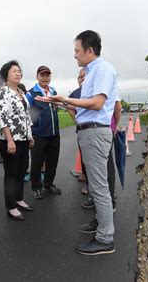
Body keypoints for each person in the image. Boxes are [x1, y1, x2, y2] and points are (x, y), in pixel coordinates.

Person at [37, 30, 118, 255]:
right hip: (88, 131)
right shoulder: (92, 72)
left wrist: (65, 98)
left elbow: (98, 103)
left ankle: (105, 238)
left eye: (77, 51)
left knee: (99, 187)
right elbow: (86, 105)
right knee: (95, 185)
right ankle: (101, 224)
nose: (75, 55)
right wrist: (62, 104)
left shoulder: (102, 69)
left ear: (89, 51)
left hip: (95, 133)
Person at [0, 60, 34, 221]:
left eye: (19, 71)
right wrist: (10, 140)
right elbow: (1, 117)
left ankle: (18, 199)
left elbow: (26, 116)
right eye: (14, 71)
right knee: (11, 174)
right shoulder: (2, 93)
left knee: (22, 170)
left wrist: (29, 135)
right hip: (9, 140)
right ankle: (10, 206)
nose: (18, 73)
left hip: (23, 139)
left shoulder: (21, 93)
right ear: (6, 75)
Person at [25, 66, 62, 199]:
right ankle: (36, 186)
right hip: (38, 135)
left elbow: (55, 109)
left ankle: (48, 184)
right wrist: (29, 134)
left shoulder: (53, 91)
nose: (45, 77)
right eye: (42, 75)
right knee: (36, 162)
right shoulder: (30, 94)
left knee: (52, 161)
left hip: (54, 134)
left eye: (47, 75)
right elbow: (25, 114)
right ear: (37, 77)